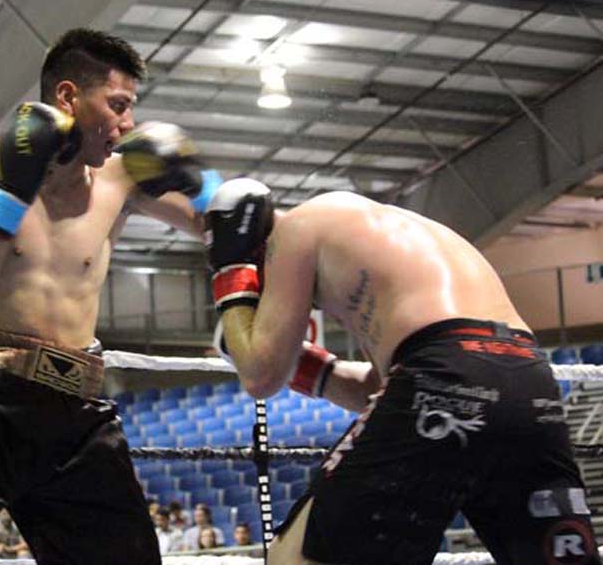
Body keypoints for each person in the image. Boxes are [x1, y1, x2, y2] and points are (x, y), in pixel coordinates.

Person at [0, 28, 220, 565]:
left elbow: (226, 224)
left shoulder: (121, 177)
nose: (128, 123)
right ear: (69, 96)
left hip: (78, 412)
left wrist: (202, 183)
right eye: (117, 105)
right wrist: (13, 191)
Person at [205, 178, 601, 565]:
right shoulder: (390, 243)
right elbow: (386, 392)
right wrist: (306, 368)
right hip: (528, 379)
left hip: (442, 372)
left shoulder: (295, 229)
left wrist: (230, 274)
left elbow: (260, 375)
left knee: (293, 556)